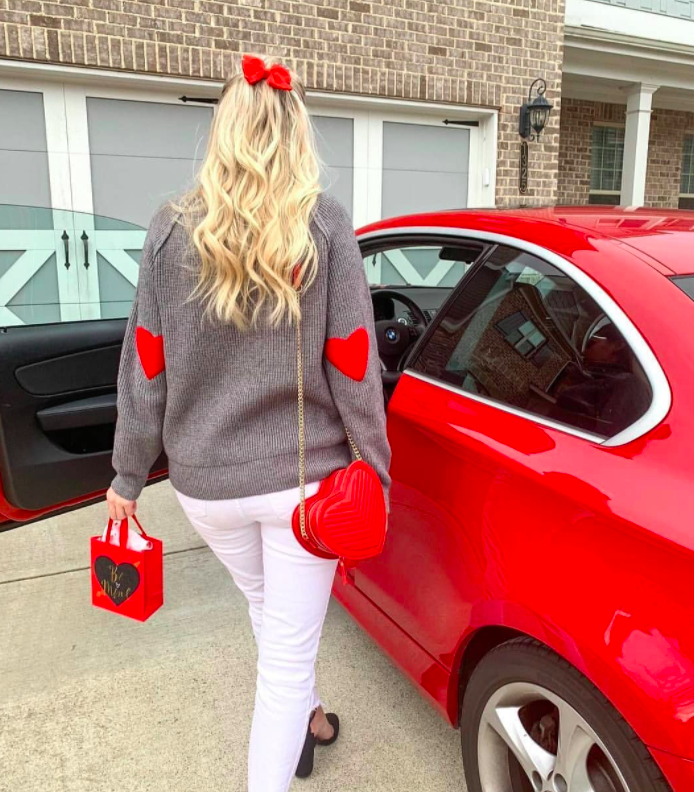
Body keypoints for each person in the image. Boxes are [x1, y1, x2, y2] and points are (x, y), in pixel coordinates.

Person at [105, 54, 392, 792]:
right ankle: (287, 739)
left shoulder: (170, 230)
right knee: (286, 653)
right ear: (297, 132)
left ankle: (311, 721)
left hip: (207, 487)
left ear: (223, 128)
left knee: (271, 614)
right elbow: (354, 365)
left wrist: (127, 475)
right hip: (305, 489)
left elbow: (147, 366)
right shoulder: (325, 224)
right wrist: (377, 469)